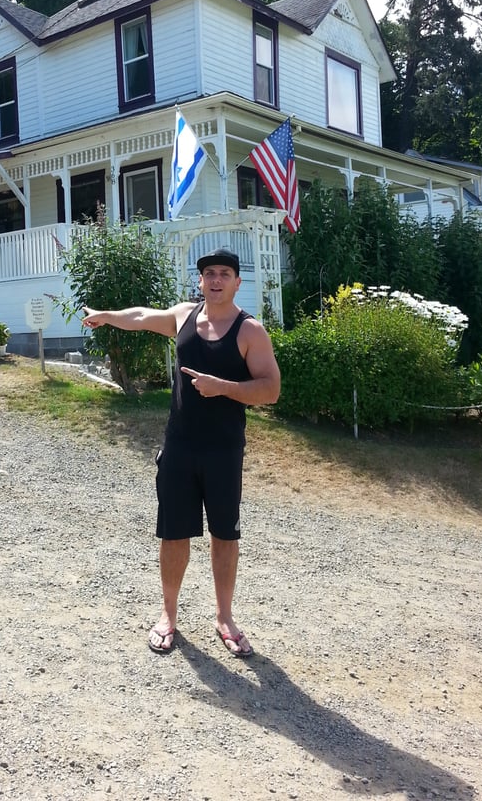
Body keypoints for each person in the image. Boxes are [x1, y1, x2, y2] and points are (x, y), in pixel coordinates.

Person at [82, 247, 281, 657]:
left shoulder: (249, 331)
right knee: (173, 534)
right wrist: (107, 315)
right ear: (202, 280)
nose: (216, 280)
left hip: (224, 451)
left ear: (237, 282)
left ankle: (224, 617)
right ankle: (168, 615)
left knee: (224, 535)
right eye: (209, 273)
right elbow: (140, 316)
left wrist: (222, 387)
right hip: (179, 447)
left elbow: (271, 389)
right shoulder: (185, 316)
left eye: (225, 273)